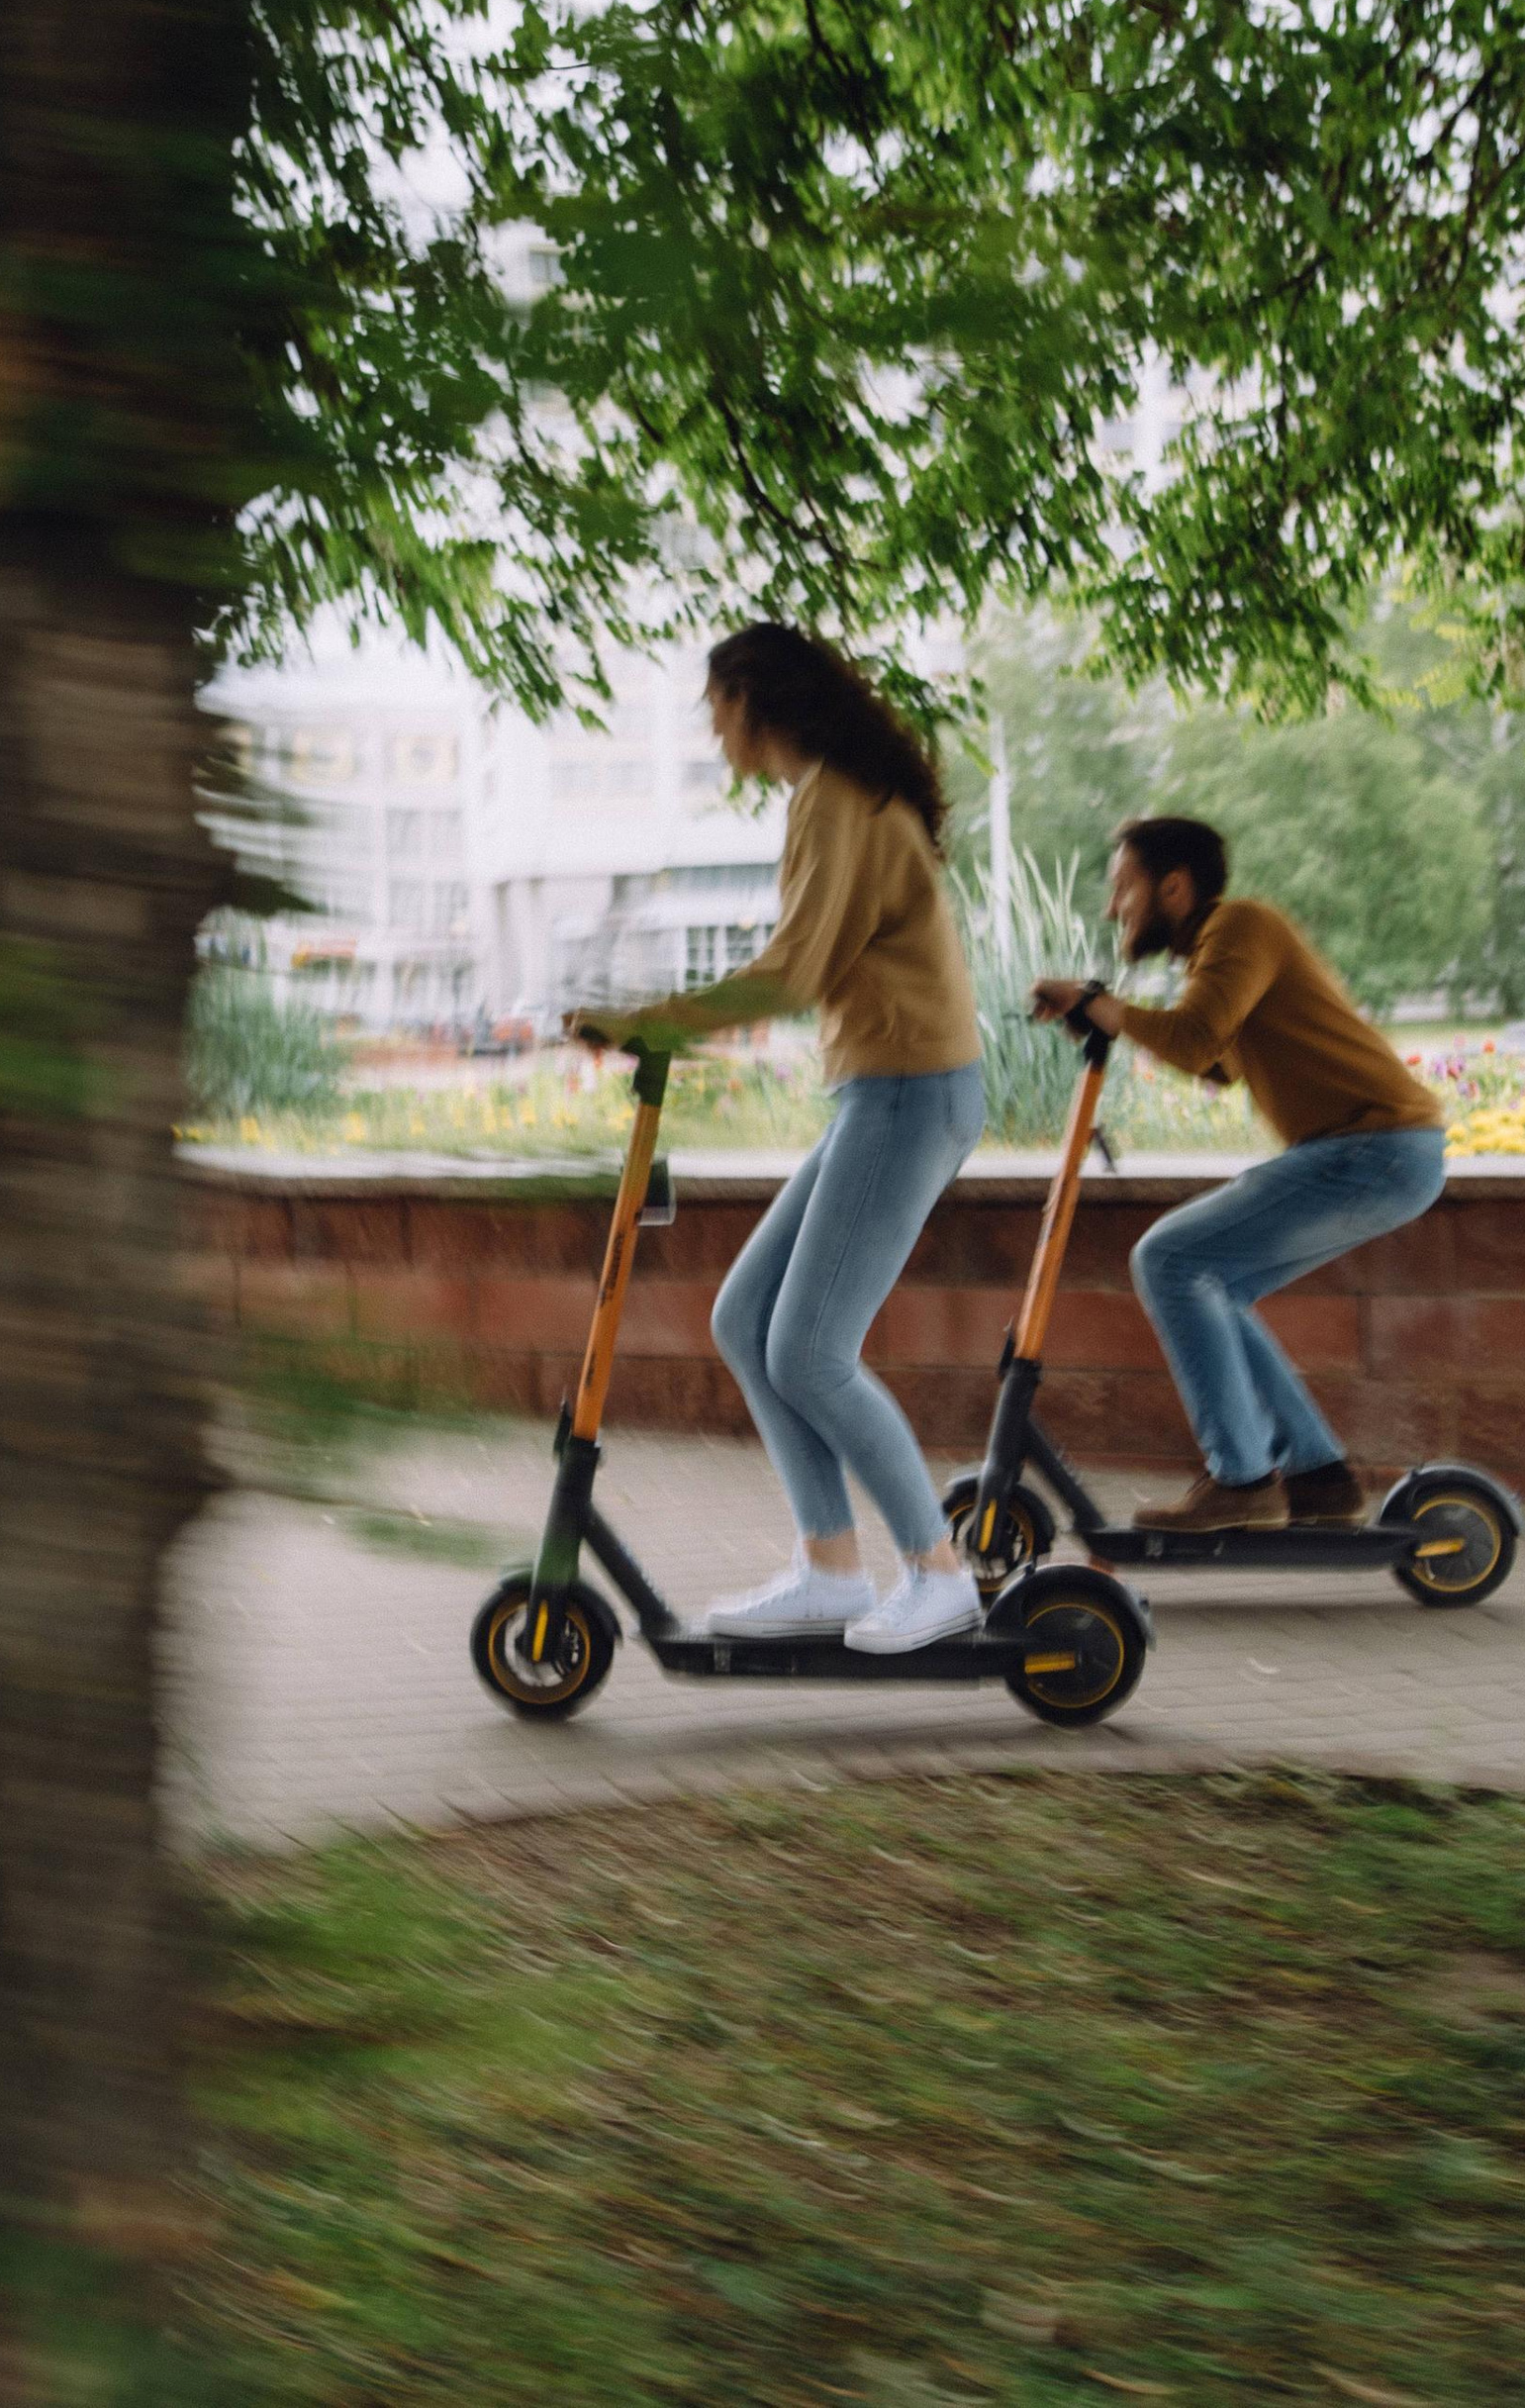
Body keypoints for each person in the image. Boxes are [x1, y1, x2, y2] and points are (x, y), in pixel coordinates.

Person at [569, 623, 987, 1652]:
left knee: (807, 1348)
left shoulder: (835, 798)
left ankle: (938, 1572)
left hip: (908, 1090)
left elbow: (793, 973)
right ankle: (831, 1569)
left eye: (716, 703)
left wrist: (650, 1019)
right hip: (883, 1091)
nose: (711, 725)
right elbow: (806, 963)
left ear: (757, 700)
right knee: (747, 1317)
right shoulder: (831, 794)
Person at [1029, 816, 1446, 1532]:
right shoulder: (1216, 951)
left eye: (1121, 888)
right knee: (1214, 1285)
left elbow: (1195, 1041)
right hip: (1379, 1152)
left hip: (1372, 1148)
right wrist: (1106, 1017)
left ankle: (1245, 1481)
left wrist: (1104, 1004)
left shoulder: (1239, 925)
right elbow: (1218, 1062)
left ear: (1175, 886)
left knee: (1168, 1257)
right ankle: (1317, 1476)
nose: (1111, 908)